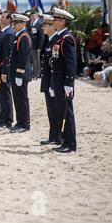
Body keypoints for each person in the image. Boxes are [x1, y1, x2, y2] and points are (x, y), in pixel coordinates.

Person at [49, 8, 78, 153]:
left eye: (55, 19)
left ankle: (70, 143)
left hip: (64, 82)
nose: (53, 21)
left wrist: (69, 83)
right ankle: (65, 141)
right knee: (63, 111)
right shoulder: (59, 37)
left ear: (62, 21)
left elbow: (71, 63)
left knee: (68, 112)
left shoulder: (66, 38)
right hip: (58, 81)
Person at [39, 14, 63, 146]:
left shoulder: (56, 41)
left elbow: (55, 65)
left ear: (53, 26)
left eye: (45, 25)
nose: (43, 27)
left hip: (53, 82)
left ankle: (58, 137)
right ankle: (53, 136)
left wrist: (52, 84)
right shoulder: (49, 41)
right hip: (48, 81)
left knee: (55, 110)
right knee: (51, 111)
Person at [9, 13, 32, 134]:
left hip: (20, 75)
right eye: (13, 22)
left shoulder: (23, 37)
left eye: (16, 23)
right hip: (16, 74)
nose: (13, 25)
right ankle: (20, 121)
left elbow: (23, 59)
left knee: (22, 99)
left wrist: (19, 74)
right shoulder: (18, 36)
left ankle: (24, 123)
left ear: (23, 24)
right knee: (17, 99)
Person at [0, 11, 15, 129]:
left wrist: (6, 70)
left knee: (5, 94)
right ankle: (3, 118)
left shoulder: (9, 33)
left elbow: (8, 54)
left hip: (3, 69)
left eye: (2, 17)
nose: (0, 19)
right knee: (1, 94)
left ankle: (7, 120)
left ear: (9, 20)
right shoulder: (3, 32)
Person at [27, 8, 44, 79]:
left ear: (37, 15)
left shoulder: (40, 24)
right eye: (31, 15)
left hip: (36, 45)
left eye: (33, 15)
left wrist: (39, 47)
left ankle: (37, 74)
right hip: (29, 45)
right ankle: (31, 73)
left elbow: (41, 36)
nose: (32, 17)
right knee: (30, 60)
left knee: (36, 60)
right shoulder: (29, 23)